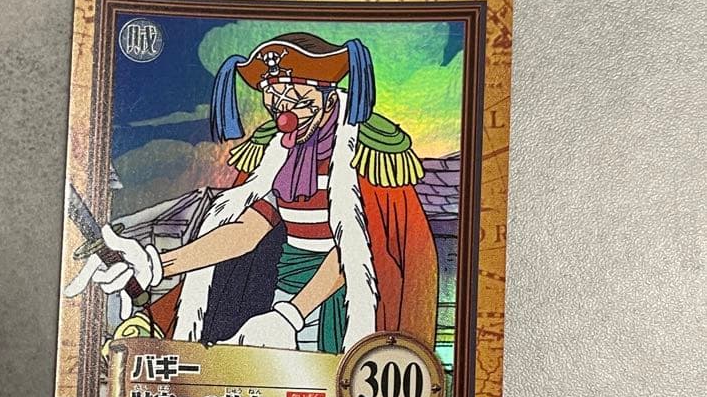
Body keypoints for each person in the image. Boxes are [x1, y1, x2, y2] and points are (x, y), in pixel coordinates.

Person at [67, 32, 438, 353]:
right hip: (276, 290)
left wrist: (291, 315)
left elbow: (360, 250)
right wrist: (157, 265)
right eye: (274, 101)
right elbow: (247, 230)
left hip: (336, 304)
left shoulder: (369, 148)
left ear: (328, 96)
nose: (285, 115)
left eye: (298, 100)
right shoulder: (278, 149)